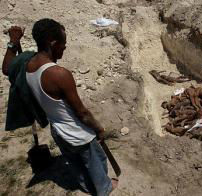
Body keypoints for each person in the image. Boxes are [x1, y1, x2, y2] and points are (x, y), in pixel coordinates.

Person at [2, 19, 118, 196]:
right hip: (78, 133)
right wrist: (99, 129)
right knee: (96, 160)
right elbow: (82, 113)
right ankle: (105, 188)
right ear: (53, 43)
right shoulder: (59, 75)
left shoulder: (28, 63)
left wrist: (13, 42)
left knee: (75, 164)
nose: (65, 48)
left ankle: (86, 187)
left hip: (57, 130)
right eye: (63, 44)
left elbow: (7, 67)